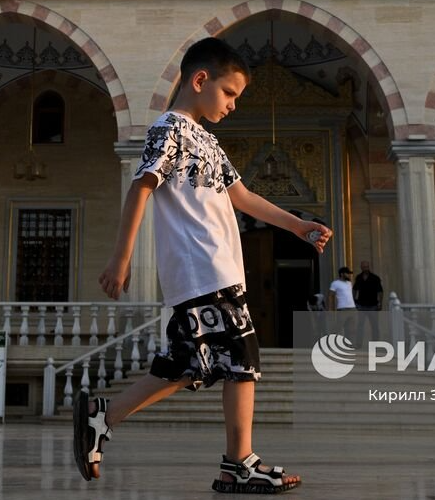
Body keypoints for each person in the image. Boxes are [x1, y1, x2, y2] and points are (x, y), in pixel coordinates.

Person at [74, 37, 331, 493]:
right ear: (200, 80)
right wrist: (121, 256)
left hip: (220, 270)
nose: (233, 105)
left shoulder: (207, 141)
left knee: (189, 365)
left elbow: (243, 197)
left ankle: (103, 418)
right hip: (201, 269)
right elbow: (141, 187)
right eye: (229, 93)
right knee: (241, 360)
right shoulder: (168, 129)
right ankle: (238, 462)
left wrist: (298, 225)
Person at [352, 261, 384, 342]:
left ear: (369, 267)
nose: (365, 268)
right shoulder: (358, 277)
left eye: (366, 267)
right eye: (363, 267)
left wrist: (380, 303)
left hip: (372, 305)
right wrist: (353, 300)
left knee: (374, 325)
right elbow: (355, 289)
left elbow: (380, 291)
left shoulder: (375, 278)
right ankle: (358, 343)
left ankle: (375, 342)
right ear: (361, 268)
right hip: (361, 305)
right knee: (360, 325)